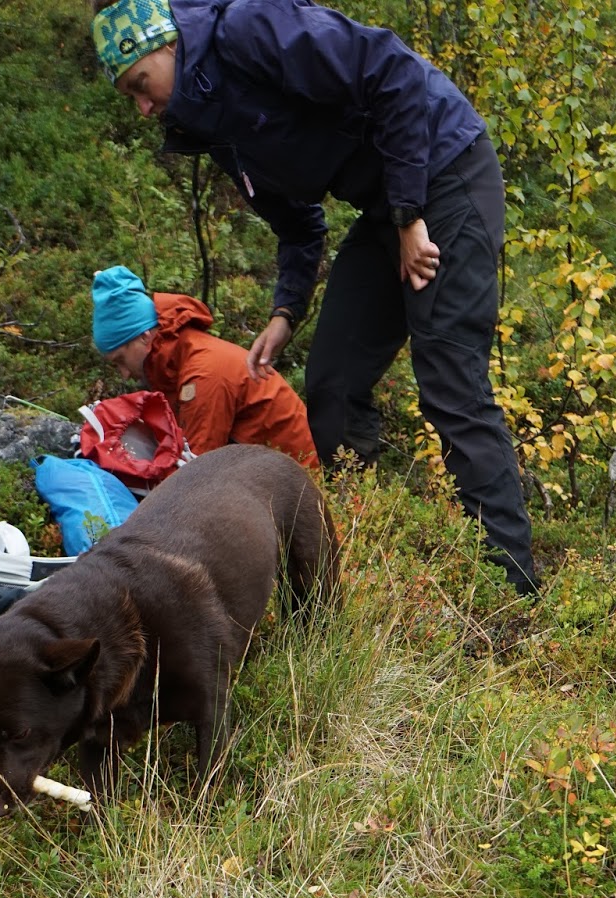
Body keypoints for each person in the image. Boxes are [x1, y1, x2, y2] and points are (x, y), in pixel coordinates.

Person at [90, 0, 538, 596]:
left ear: (166, 44)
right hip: (387, 209)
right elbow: (298, 223)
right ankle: (365, 552)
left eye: (139, 85)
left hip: (447, 172)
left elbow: (393, 70)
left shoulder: (247, 28)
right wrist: (286, 311)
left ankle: (513, 593)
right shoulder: (210, 122)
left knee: (450, 383)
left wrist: (409, 214)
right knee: (332, 383)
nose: (143, 108)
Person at [90, 264, 320, 469]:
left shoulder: (203, 374)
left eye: (120, 360)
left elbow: (197, 473)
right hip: (274, 479)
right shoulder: (178, 365)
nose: (124, 374)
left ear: (144, 336)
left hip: (299, 489)